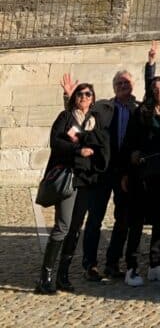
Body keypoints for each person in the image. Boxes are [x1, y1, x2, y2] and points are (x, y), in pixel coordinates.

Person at [35, 80, 109, 294]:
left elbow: (102, 147)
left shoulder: (96, 121)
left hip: (86, 181)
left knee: (75, 228)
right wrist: (78, 150)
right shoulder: (66, 118)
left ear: (93, 99)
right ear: (74, 98)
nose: (84, 97)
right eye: (80, 94)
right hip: (68, 179)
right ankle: (45, 277)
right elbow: (56, 142)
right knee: (63, 226)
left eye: (88, 94)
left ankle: (63, 276)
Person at [80, 69, 138, 280]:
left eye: (127, 82)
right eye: (119, 83)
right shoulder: (103, 107)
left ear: (133, 86)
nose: (123, 85)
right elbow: (81, 119)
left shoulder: (137, 110)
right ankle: (90, 265)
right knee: (95, 218)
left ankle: (112, 263)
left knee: (122, 219)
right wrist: (69, 98)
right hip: (102, 172)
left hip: (124, 174)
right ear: (114, 87)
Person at [121, 76, 160, 287]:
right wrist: (127, 169)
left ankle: (155, 264)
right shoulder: (141, 112)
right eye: (155, 88)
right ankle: (132, 267)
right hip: (142, 175)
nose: (159, 91)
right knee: (136, 222)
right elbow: (129, 142)